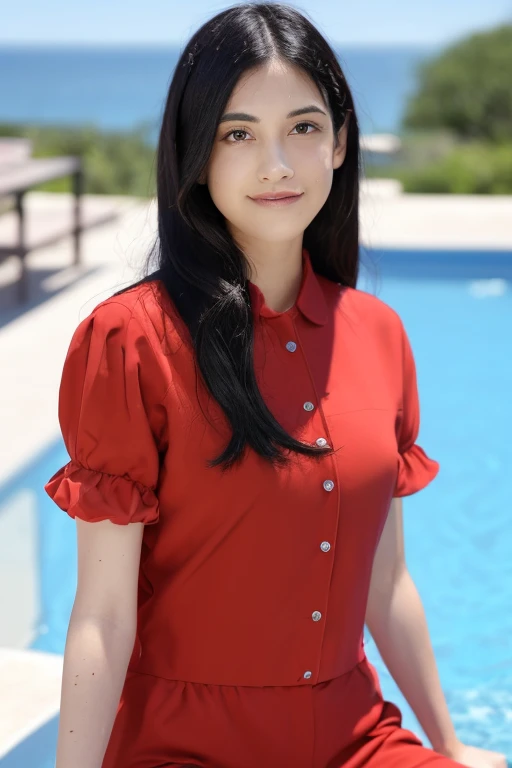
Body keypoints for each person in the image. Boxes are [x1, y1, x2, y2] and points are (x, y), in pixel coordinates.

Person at [44, 3, 507, 768]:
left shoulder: (380, 334)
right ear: (197, 154)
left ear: (340, 142)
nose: (277, 165)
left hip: (354, 739)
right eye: (238, 135)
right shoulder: (130, 341)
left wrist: (450, 748)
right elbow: (102, 615)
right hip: (181, 744)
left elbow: (386, 583)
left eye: (302, 127)